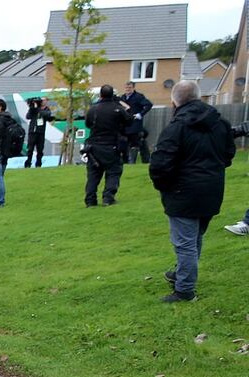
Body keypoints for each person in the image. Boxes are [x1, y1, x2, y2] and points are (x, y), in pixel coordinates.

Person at [149, 80, 235, 303]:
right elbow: (227, 155)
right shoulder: (221, 124)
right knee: (194, 237)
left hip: (183, 191)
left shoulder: (176, 128)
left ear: (174, 101)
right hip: (211, 189)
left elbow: (160, 163)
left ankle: (185, 290)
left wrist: (165, 186)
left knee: (185, 242)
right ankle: (181, 274)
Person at [83, 85, 132, 207]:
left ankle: (90, 200)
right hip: (111, 145)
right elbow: (129, 121)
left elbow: (88, 124)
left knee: (93, 174)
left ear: (100, 95)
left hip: (94, 146)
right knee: (113, 172)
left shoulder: (93, 109)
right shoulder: (117, 108)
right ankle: (108, 198)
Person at [120, 81, 153, 164]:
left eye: (129, 88)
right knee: (128, 143)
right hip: (125, 125)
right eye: (126, 88)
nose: (127, 89)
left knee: (135, 143)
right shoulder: (122, 98)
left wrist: (140, 114)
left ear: (133, 88)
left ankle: (133, 161)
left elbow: (149, 105)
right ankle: (128, 161)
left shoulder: (138, 96)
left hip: (135, 124)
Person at [24, 97, 53, 168]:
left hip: (41, 132)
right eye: (41, 100)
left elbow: (47, 115)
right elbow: (28, 116)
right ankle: (28, 162)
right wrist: (32, 108)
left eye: (44, 100)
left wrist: (37, 109)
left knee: (40, 149)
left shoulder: (47, 110)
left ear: (46, 101)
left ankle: (38, 163)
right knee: (30, 148)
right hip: (32, 131)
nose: (42, 102)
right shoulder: (34, 109)